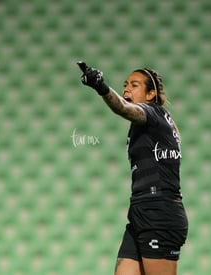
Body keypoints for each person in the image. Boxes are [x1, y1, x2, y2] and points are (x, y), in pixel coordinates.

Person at [77, 61, 188, 275]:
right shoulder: (153, 124)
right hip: (140, 211)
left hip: (159, 213)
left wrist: (101, 87)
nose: (127, 88)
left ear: (150, 94)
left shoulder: (152, 114)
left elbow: (123, 108)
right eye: (125, 84)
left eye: (134, 85)